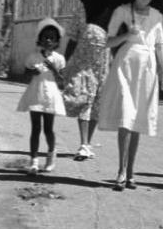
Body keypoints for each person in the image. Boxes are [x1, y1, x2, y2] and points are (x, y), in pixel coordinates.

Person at [98, 0, 163, 190]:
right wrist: (127, 35)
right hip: (125, 66)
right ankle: (121, 171)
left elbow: (160, 46)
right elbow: (107, 42)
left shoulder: (157, 16)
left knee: (138, 118)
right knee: (126, 115)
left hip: (146, 68)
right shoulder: (122, 11)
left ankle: (130, 172)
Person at [17, 18, 67, 173]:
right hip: (36, 94)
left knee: (48, 129)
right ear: (40, 39)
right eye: (45, 37)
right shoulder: (33, 57)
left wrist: (54, 69)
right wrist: (33, 71)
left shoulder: (59, 59)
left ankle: (51, 156)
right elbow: (25, 75)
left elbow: (62, 81)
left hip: (50, 96)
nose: (48, 41)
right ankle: (34, 161)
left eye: (52, 38)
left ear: (57, 41)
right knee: (35, 128)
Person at [62, 23, 108, 161]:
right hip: (83, 65)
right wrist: (65, 62)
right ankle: (83, 144)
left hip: (104, 65)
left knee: (97, 105)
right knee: (85, 100)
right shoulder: (82, 15)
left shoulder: (114, 15)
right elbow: (72, 40)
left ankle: (87, 144)